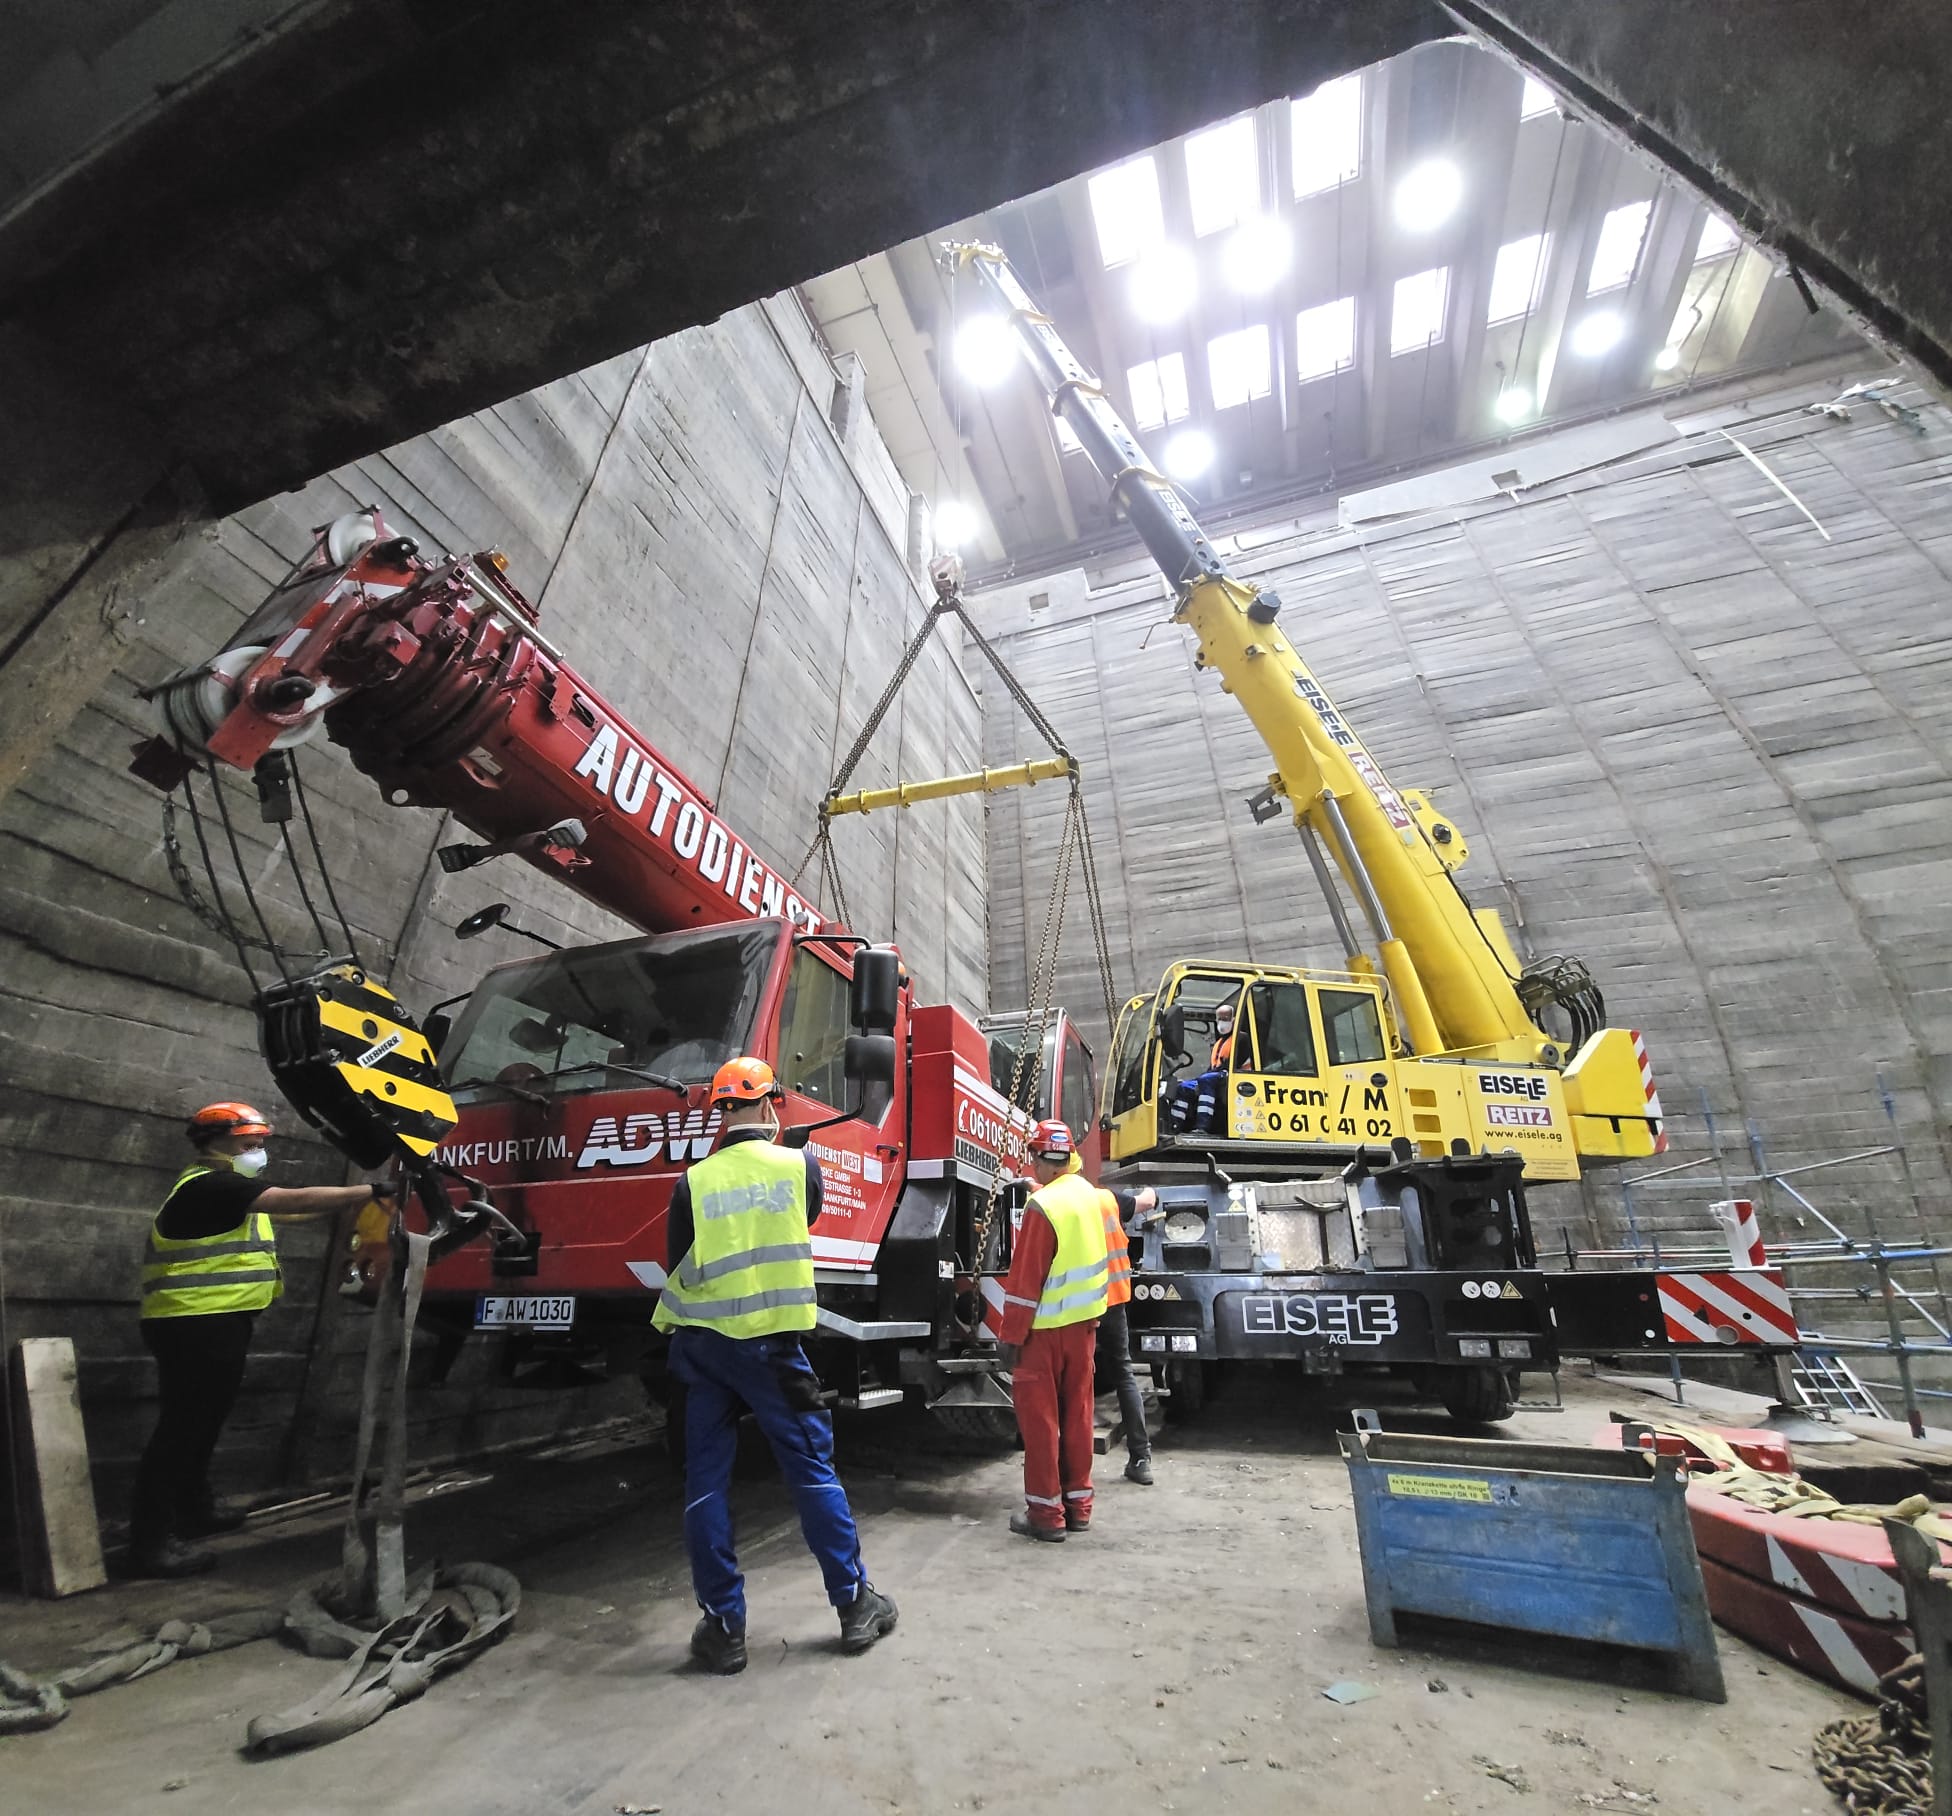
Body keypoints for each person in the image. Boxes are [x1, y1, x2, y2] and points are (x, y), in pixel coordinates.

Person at [653, 1056, 897, 1674]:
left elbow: (680, 1260)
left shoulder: (693, 1182)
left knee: (705, 1482)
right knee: (811, 1472)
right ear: (767, 1106)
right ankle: (853, 1605)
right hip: (772, 1348)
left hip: (705, 1350)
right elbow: (804, 1218)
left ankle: (725, 1629)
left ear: (720, 1112)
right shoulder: (799, 1165)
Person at [132, 1101, 389, 1577]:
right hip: (196, 1323)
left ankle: (194, 1509)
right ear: (217, 1143)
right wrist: (371, 1189)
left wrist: (355, 1202)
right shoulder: (212, 1183)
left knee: (203, 1422)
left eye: (260, 1144)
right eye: (250, 1144)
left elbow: (292, 1214)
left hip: (212, 1322)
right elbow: (291, 1200)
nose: (259, 1152)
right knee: (181, 1429)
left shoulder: (230, 1192)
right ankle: (148, 1544)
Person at [995, 1119, 1110, 1541]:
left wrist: (1010, 1338)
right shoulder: (1087, 1194)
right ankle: (1079, 1507)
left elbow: (1025, 1285)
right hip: (1083, 1330)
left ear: (1043, 1159)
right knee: (1078, 1417)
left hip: (1041, 1335)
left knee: (1041, 1425)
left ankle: (1046, 1516)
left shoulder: (1042, 1208)